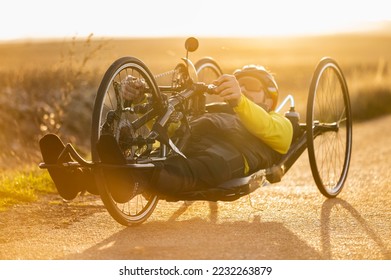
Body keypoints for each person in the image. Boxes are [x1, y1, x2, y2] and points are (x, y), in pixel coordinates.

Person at [118, 65, 293, 196]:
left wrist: (239, 100)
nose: (244, 88)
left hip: (228, 156)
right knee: (159, 155)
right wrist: (142, 101)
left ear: (270, 99)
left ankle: (134, 179)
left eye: (252, 84)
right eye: (240, 84)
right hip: (188, 142)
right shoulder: (214, 108)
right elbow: (174, 129)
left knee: (191, 168)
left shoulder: (280, 122)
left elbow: (264, 126)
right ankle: (103, 174)